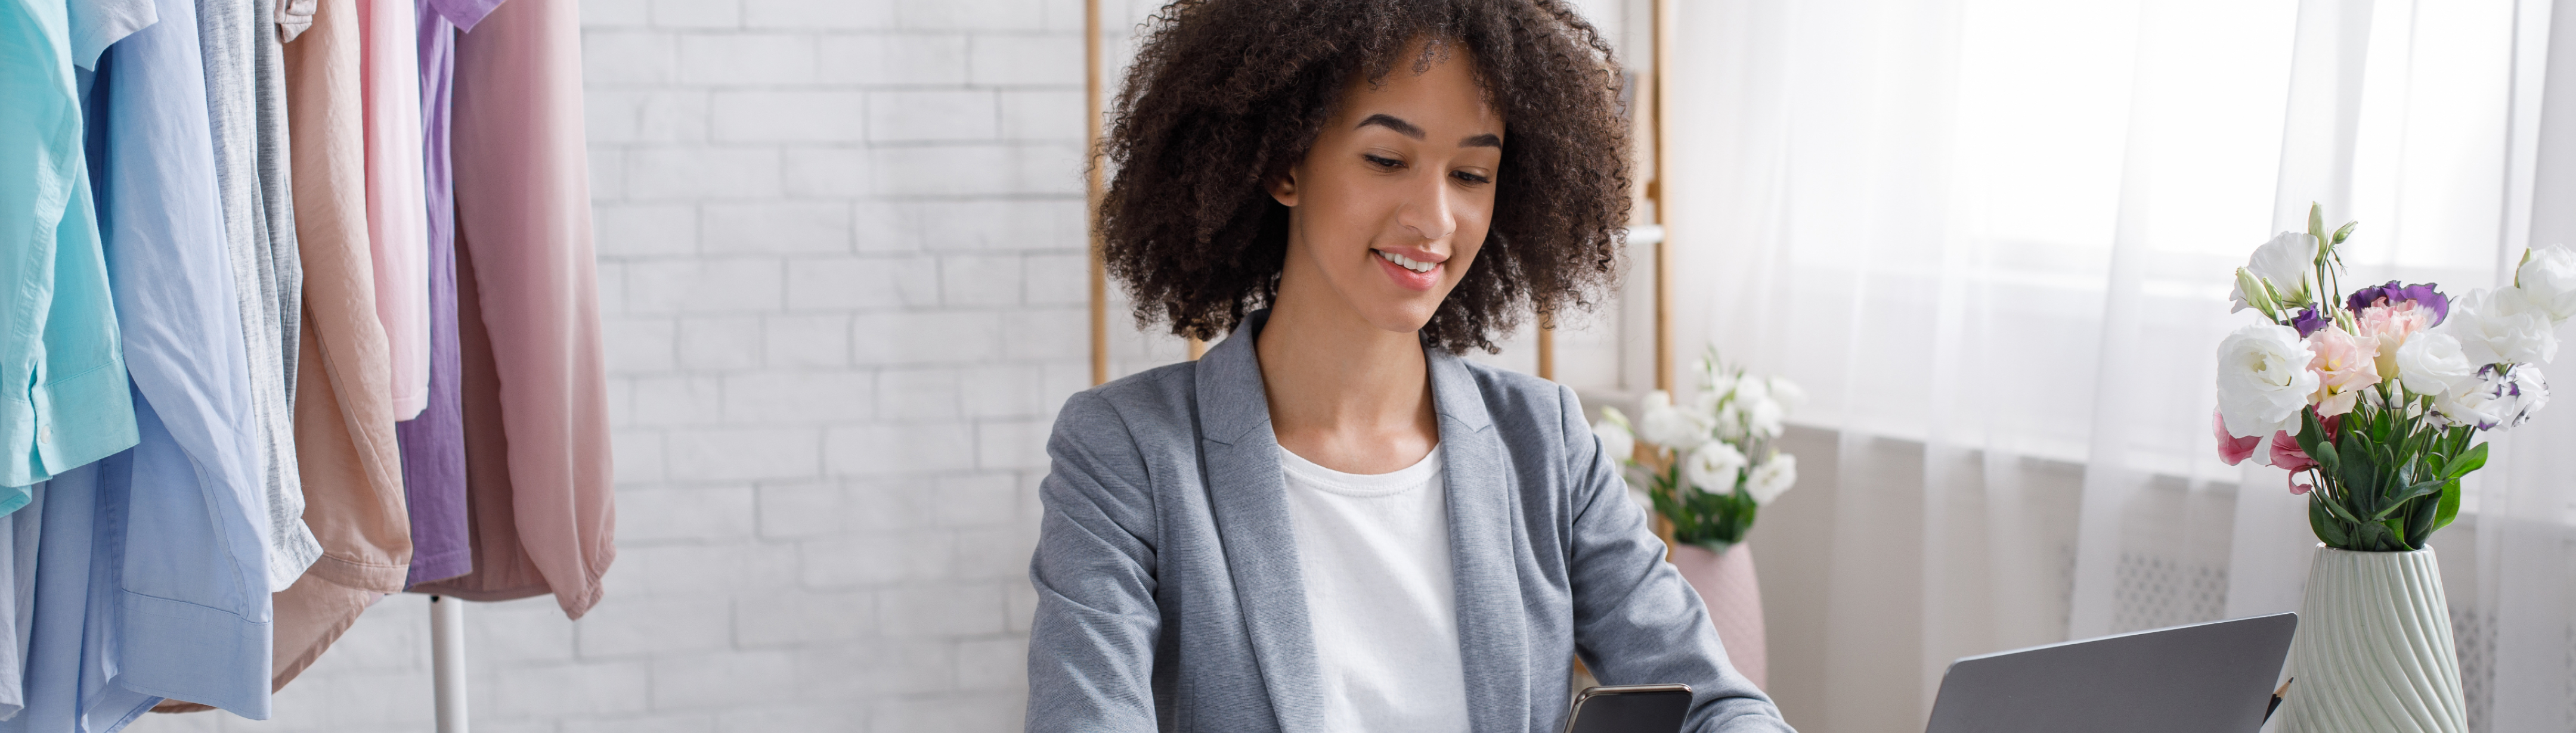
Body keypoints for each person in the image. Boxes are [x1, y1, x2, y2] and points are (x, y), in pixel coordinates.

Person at [1026, 1, 1793, 731]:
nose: (1434, 220)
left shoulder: (1545, 442)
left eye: (1470, 175)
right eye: (1388, 158)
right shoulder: (1127, 452)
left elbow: (1719, 703)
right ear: (1284, 165)